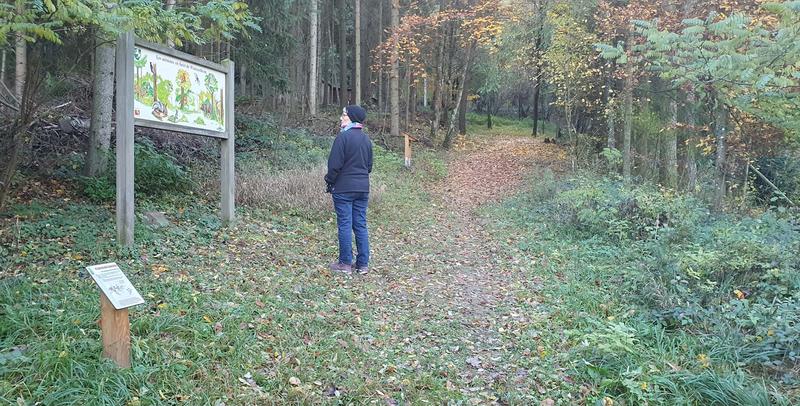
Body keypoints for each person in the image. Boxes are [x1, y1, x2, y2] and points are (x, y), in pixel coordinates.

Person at [325, 105, 373, 275]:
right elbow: (369, 167)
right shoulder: (366, 139)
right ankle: (362, 265)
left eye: (344, 115)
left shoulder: (342, 138)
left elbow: (334, 166)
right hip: (363, 189)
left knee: (345, 224)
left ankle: (345, 263)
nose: (341, 118)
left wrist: (329, 181)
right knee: (360, 224)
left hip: (344, 189)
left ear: (352, 118)